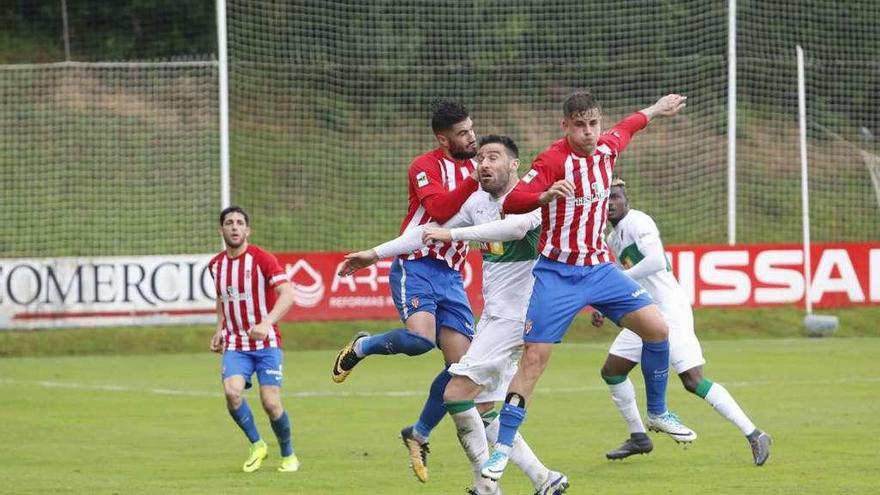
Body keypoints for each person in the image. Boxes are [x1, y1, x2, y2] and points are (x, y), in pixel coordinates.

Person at [481, 90, 693, 483]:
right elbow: (514, 202)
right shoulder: (552, 159)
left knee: (658, 328)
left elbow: (630, 125)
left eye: (593, 123)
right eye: (580, 125)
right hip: (557, 273)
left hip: (598, 269)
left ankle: (658, 412)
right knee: (534, 360)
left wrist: (657, 109)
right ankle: (501, 449)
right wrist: (544, 195)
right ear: (566, 126)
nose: (589, 132)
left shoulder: (608, 148)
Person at [341, 135, 568, 495]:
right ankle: (545, 479)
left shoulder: (528, 200)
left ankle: (486, 487)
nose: (484, 163)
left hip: (517, 318)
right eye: (481, 157)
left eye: (494, 156)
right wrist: (376, 252)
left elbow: (513, 228)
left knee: (456, 392)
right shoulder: (477, 202)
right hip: (496, 317)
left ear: (514, 165)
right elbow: (425, 233)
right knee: (485, 406)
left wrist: (453, 233)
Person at [331, 99, 480, 483]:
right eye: (463, 133)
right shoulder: (425, 167)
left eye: (472, 129)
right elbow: (441, 211)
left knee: (460, 369)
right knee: (418, 341)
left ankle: (419, 433)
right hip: (415, 265)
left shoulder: (480, 171)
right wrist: (475, 180)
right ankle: (362, 346)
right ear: (443, 139)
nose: (471, 137)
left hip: (451, 275)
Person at [596, 178, 772, 465]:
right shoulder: (613, 238)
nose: (611, 203)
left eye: (615, 197)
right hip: (644, 312)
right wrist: (606, 305)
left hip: (668, 311)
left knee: (693, 380)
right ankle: (639, 437)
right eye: (605, 199)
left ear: (627, 199)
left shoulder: (639, 222)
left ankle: (754, 433)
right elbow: (622, 277)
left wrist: (615, 282)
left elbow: (656, 261)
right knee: (612, 371)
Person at [208, 205, 299, 473]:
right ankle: (257, 444)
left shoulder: (262, 259)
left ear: (248, 230)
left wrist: (267, 322)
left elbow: (287, 294)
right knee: (232, 392)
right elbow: (222, 298)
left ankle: (288, 454)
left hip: (267, 342)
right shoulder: (216, 266)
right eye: (229, 222)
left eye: (239, 222)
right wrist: (219, 329)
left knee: (271, 403)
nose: (234, 226)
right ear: (221, 230)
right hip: (236, 344)